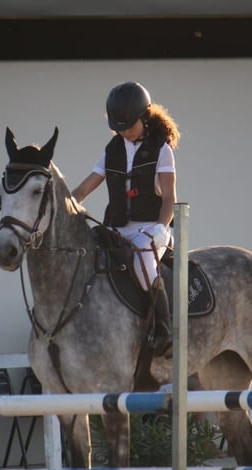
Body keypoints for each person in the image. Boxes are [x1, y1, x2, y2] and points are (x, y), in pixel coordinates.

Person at [72, 81, 180, 357]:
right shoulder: (112, 150)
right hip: (117, 229)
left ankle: (163, 327)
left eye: (129, 126)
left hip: (151, 229)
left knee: (144, 262)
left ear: (145, 116)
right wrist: (67, 205)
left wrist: (161, 228)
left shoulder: (161, 150)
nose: (125, 132)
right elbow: (84, 188)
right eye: (119, 127)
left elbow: (169, 197)